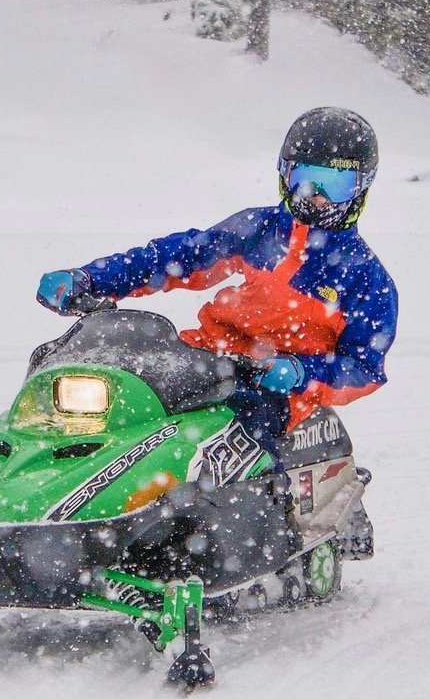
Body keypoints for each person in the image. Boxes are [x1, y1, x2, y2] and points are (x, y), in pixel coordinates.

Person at [37, 107, 397, 461]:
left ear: (360, 188)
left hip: (275, 390)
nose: (315, 195)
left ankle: (273, 514)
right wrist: (90, 279)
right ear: (285, 176)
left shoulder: (364, 276)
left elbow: (364, 368)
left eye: (334, 185)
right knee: (117, 388)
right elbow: (176, 259)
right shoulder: (259, 231)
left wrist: (302, 372)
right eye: (304, 177)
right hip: (207, 358)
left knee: (224, 453)